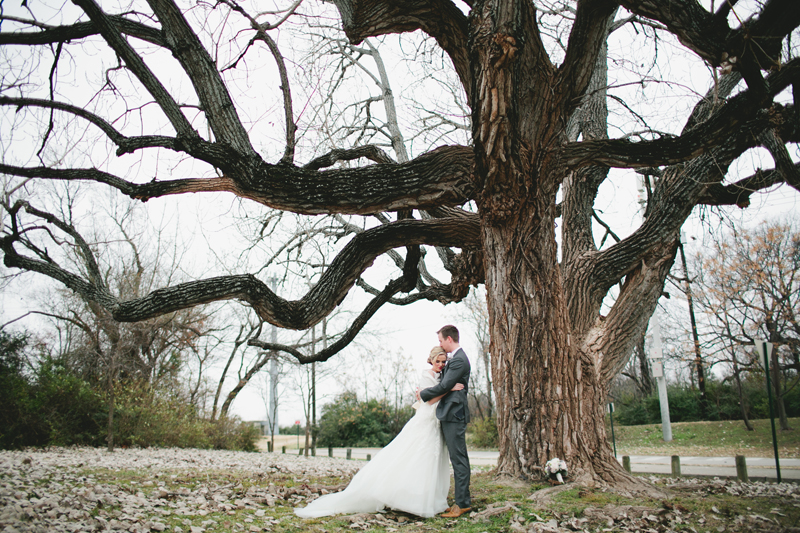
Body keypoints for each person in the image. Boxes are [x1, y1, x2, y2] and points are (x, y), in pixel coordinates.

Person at [294, 347, 463, 518]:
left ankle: (433, 499)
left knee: (432, 459)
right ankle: (410, 498)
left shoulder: (442, 376)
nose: (441, 365)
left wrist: (447, 387)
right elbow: (430, 398)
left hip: (436, 421)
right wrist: (450, 389)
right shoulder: (426, 375)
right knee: (416, 455)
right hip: (426, 419)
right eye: (437, 361)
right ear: (431, 360)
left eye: (443, 362)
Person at [419, 325, 471, 518]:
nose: (440, 344)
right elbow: (446, 385)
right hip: (449, 413)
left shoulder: (458, 360)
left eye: (441, 340)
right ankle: (461, 501)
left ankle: (463, 503)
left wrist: (422, 393)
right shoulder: (455, 359)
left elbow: (445, 385)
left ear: (449, 339)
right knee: (457, 459)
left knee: (459, 459)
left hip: (454, 414)